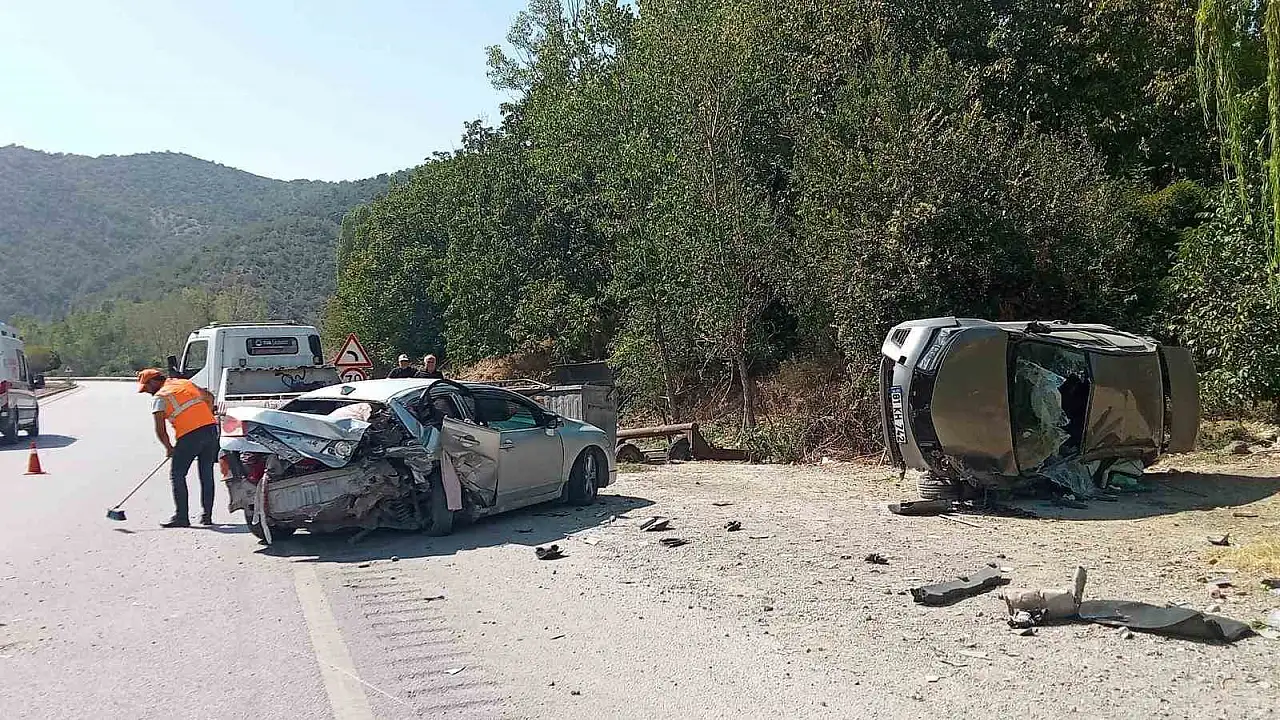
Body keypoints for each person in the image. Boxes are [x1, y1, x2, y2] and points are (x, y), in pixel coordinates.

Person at [137, 369, 219, 528]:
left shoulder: (160, 398)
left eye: (146, 388)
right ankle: (207, 516)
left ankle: (182, 517)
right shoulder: (185, 383)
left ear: (153, 382)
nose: (147, 392)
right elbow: (209, 396)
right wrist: (206, 414)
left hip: (189, 436)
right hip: (210, 429)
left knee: (178, 474)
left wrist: (169, 448)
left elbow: (160, 429)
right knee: (206, 473)